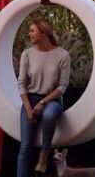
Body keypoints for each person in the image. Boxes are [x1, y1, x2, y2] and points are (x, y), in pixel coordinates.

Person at [17, 18, 70, 177]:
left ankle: (44, 156)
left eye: (32, 30)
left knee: (48, 115)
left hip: (52, 100)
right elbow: (22, 84)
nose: (29, 34)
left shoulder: (62, 55)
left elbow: (62, 86)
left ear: (44, 33)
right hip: (30, 100)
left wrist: (42, 102)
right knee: (25, 147)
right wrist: (28, 108)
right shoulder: (27, 54)